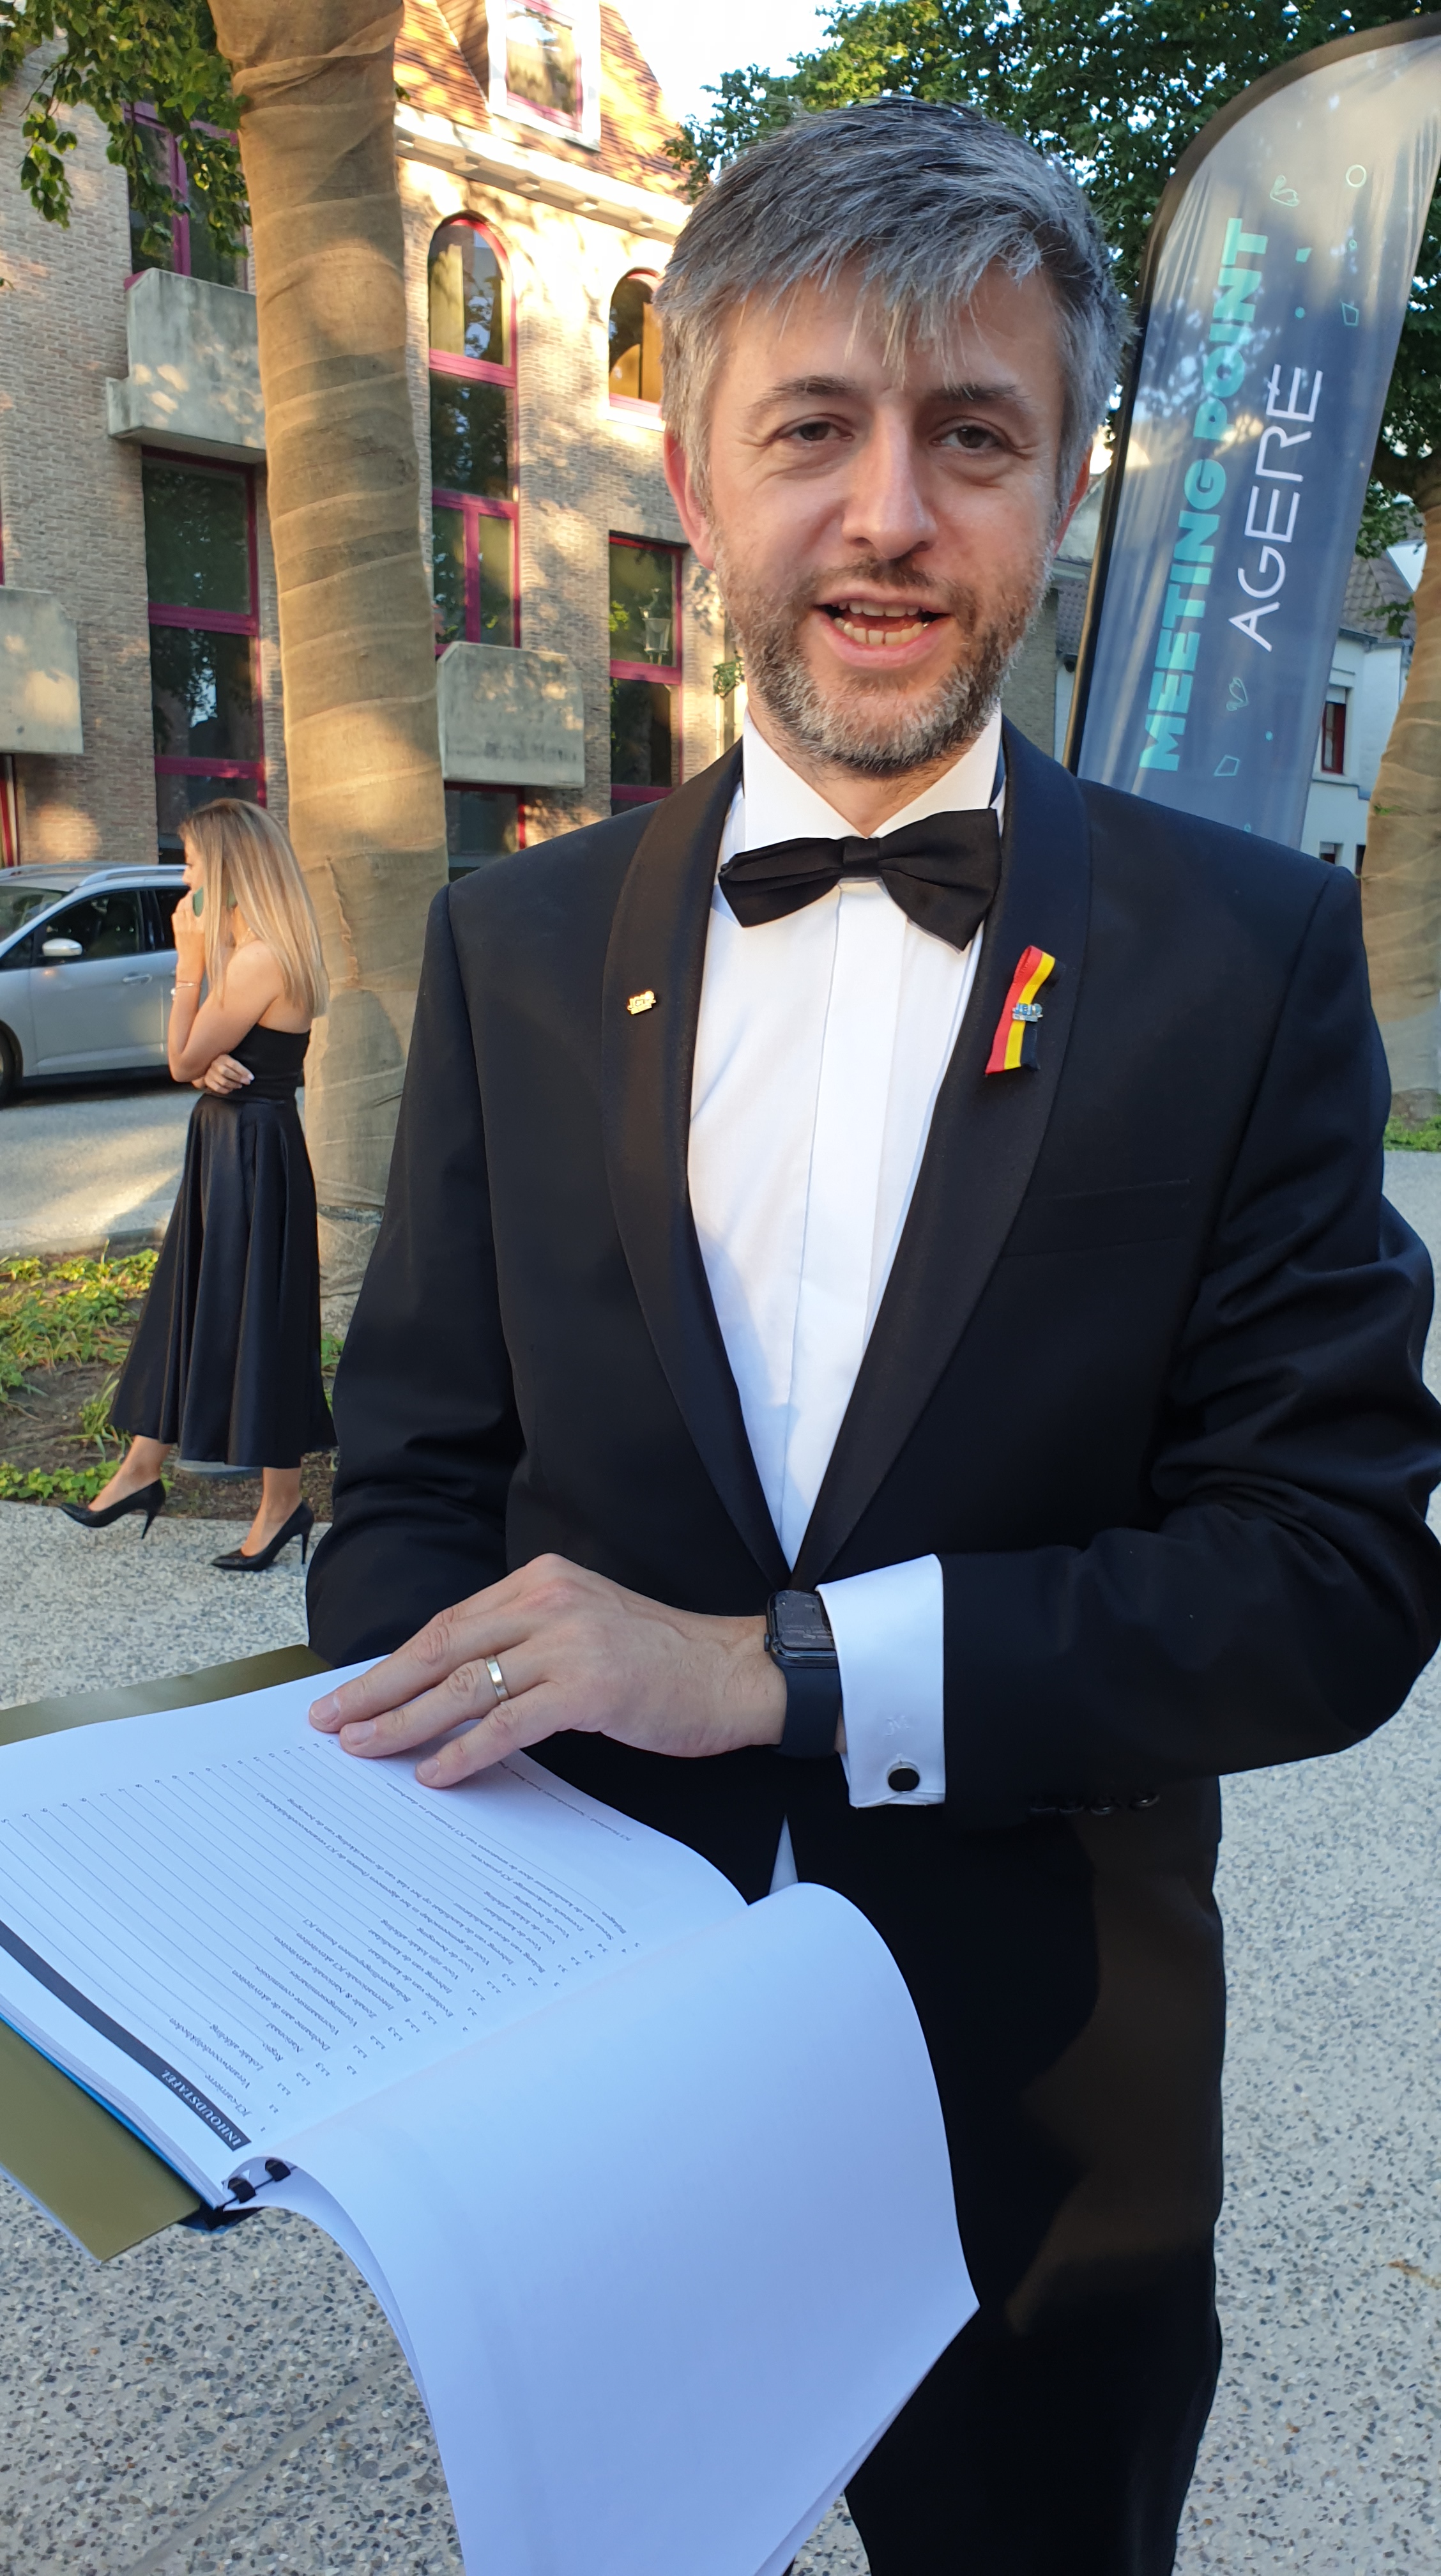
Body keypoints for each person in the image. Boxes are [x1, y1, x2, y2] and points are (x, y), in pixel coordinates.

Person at [305, 103, 1441, 2576]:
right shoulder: (510, 952)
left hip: (1046, 2121)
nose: (890, 516)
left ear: (1062, 490)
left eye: (974, 438)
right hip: (587, 2095)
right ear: (694, 476)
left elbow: (1331, 1573)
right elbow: (409, 1488)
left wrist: (774, 1675)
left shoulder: (1241, 958)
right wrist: (388, 1915)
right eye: (813, 428)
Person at [64, 800, 333, 1571]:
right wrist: (205, 1068)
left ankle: (280, 1504)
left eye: (192, 863)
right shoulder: (262, 951)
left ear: (230, 868)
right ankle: (141, 1469)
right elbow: (200, 1063)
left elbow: (180, 1058)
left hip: (247, 1154)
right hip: (236, 1146)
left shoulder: (258, 959)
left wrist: (188, 967)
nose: (185, 880)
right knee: (194, 1302)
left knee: (258, 1318)